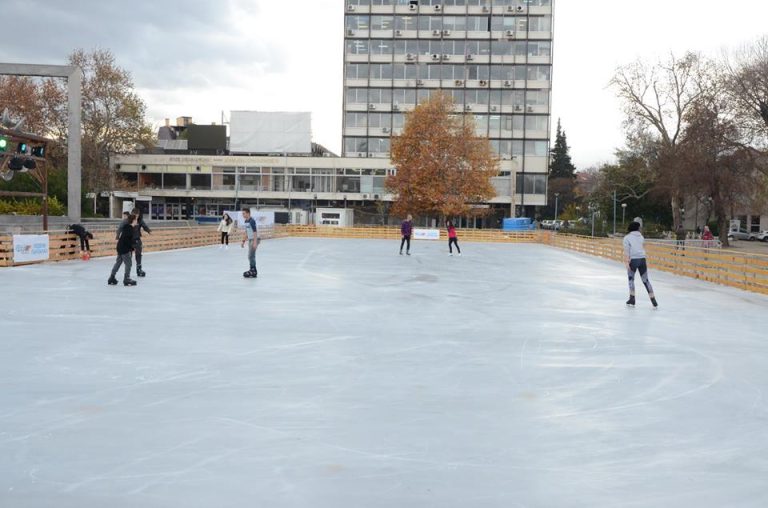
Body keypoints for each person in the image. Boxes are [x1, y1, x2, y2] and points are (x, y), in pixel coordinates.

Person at [623, 221, 658, 308]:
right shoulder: (641, 237)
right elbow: (642, 247)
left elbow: (627, 251)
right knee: (646, 280)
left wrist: (627, 262)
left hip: (633, 260)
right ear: (637, 228)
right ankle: (653, 299)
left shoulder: (627, 238)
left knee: (631, 279)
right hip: (642, 260)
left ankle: (632, 298)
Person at [108, 214, 138, 286]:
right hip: (124, 248)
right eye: (136, 219)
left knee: (118, 262)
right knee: (128, 263)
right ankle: (126, 279)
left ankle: (112, 277)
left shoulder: (127, 227)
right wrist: (132, 247)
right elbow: (126, 239)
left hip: (120, 247)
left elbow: (126, 238)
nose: (137, 221)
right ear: (133, 220)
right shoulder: (130, 228)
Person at [130, 207, 152, 277]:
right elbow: (122, 227)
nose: (136, 217)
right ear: (132, 214)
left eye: (137, 216)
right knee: (128, 256)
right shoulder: (128, 220)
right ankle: (127, 272)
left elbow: (144, 226)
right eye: (135, 216)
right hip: (129, 240)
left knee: (138, 255)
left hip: (137, 239)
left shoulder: (140, 220)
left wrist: (149, 231)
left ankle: (139, 270)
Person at [240, 208, 259, 278]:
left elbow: (255, 232)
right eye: (242, 214)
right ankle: (252, 269)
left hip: (254, 239)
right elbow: (246, 232)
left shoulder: (252, 221)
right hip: (250, 239)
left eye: (244, 213)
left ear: (248, 213)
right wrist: (243, 241)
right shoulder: (246, 221)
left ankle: (253, 270)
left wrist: (255, 242)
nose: (243, 215)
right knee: (250, 255)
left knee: (251, 255)